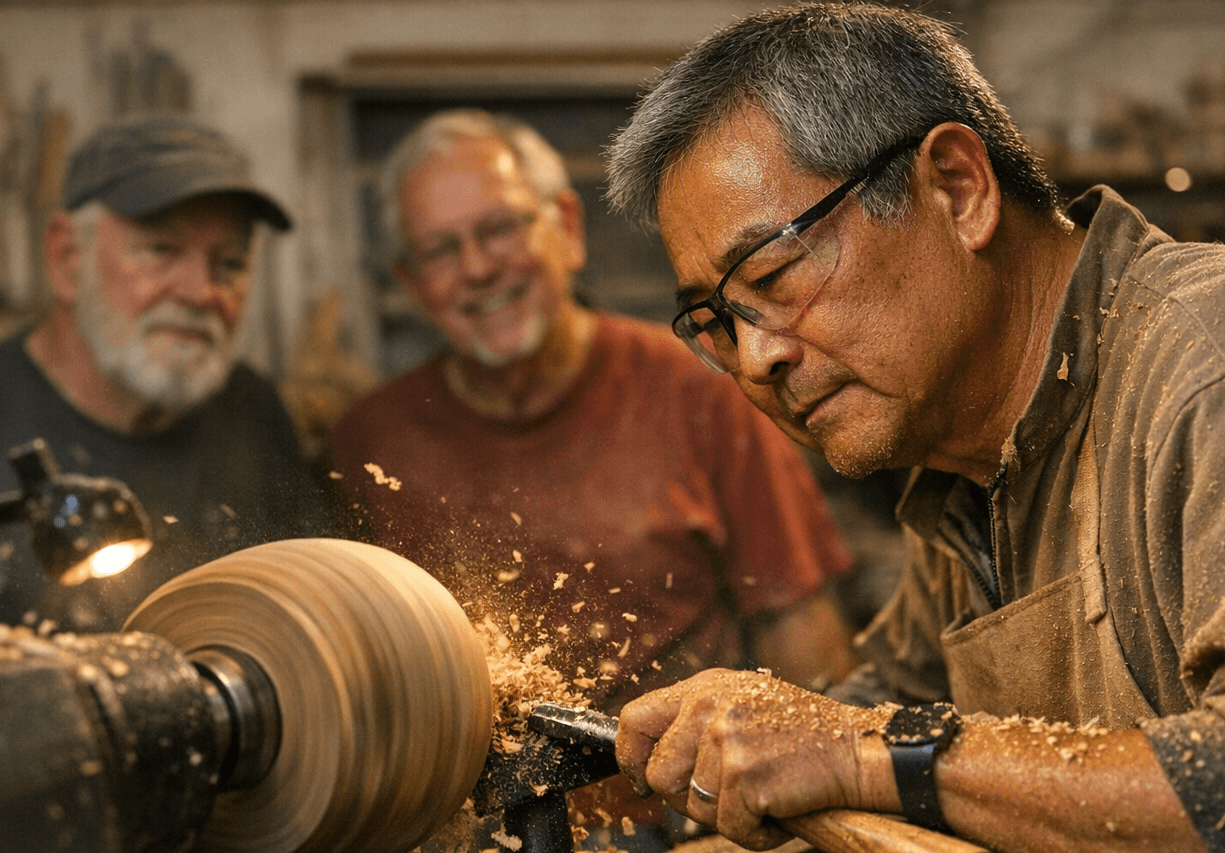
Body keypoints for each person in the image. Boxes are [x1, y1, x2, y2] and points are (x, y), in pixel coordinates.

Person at [603, 5, 1225, 853]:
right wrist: (724, 749)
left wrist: (856, 746)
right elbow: (888, 699)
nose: (757, 357)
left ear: (958, 189)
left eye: (773, 275)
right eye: (715, 321)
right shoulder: (968, 464)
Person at [330, 109, 857, 712]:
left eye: (500, 228)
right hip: (462, 797)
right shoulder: (369, 443)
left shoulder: (702, 389)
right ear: (411, 281)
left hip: (676, 793)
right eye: (440, 251)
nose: (477, 268)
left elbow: (803, 638)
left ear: (568, 228)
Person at [0, 114, 329, 633]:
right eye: (161, 250)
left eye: (231, 262)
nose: (200, 292)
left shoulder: (254, 416)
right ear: (66, 259)